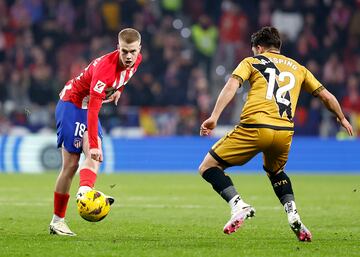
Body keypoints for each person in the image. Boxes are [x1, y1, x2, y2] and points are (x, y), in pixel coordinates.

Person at [199, 26, 353, 242]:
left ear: (259, 48)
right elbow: (326, 96)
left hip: (255, 126)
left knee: (207, 167)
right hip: (284, 132)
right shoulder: (299, 68)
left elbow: (232, 84)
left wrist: (214, 116)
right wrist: (342, 117)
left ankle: (238, 205)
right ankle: (293, 214)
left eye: (254, 50)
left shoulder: (252, 62)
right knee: (276, 172)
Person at [49, 28, 142, 236]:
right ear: (117, 48)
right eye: (124, 51)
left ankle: (84, 193)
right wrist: (91, 144)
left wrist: (118, 90)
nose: (129, 56)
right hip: (72, 105)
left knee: (96, 156)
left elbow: (124, 77)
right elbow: (93, 109)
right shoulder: (104, 71)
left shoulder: (137, 60)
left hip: (86, 107)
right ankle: (57, 221)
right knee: (72, 164)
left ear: (139, 49)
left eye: (132, 52)